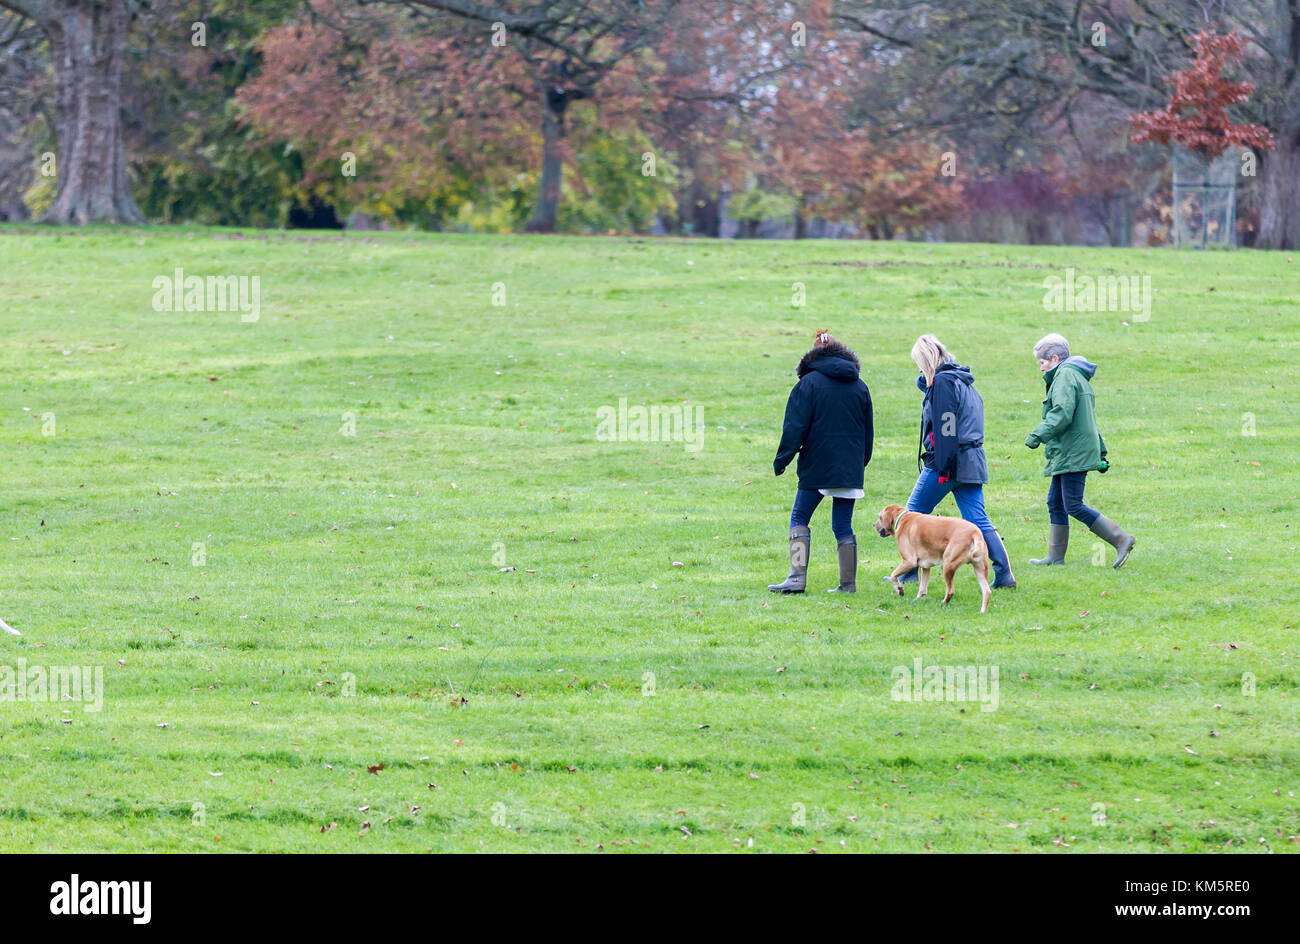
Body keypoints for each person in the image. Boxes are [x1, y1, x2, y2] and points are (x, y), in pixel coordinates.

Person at [886, 334, 1016, 589]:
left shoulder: (944, 384)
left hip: (948, 463)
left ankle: (909, 570)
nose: (919, 370)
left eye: (919, 364)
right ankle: (1005, 575)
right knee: (978, 520)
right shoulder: (964, 382)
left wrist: (943, 466)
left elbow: (947, 428)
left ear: (927, 361)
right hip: (972, 461)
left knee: (911, 514)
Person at [769, 330, 873, 594]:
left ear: (813, 355)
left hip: (818, 464)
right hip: (850, 467)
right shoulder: (860, 386)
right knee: (842, 524)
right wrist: (861, 463)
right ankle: (848, 584)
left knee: (800, 515)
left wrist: (782, 459)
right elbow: (868, 431)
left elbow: (794, 426)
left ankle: (796, 578)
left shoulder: (808, 384)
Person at [1024, 333, 1135, 568]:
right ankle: (1055, 557)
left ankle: (1121, 539)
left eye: (1042, 362)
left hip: (1072, 452)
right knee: (1055, 501)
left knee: (1072, 504)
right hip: (1071, 450)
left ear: (1054, 358)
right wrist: (1101, 452)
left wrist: (1037, 435)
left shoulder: (1065, 376)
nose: (1041, 368)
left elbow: (1062, 413)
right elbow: (1088, 419)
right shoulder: (1074, 375)